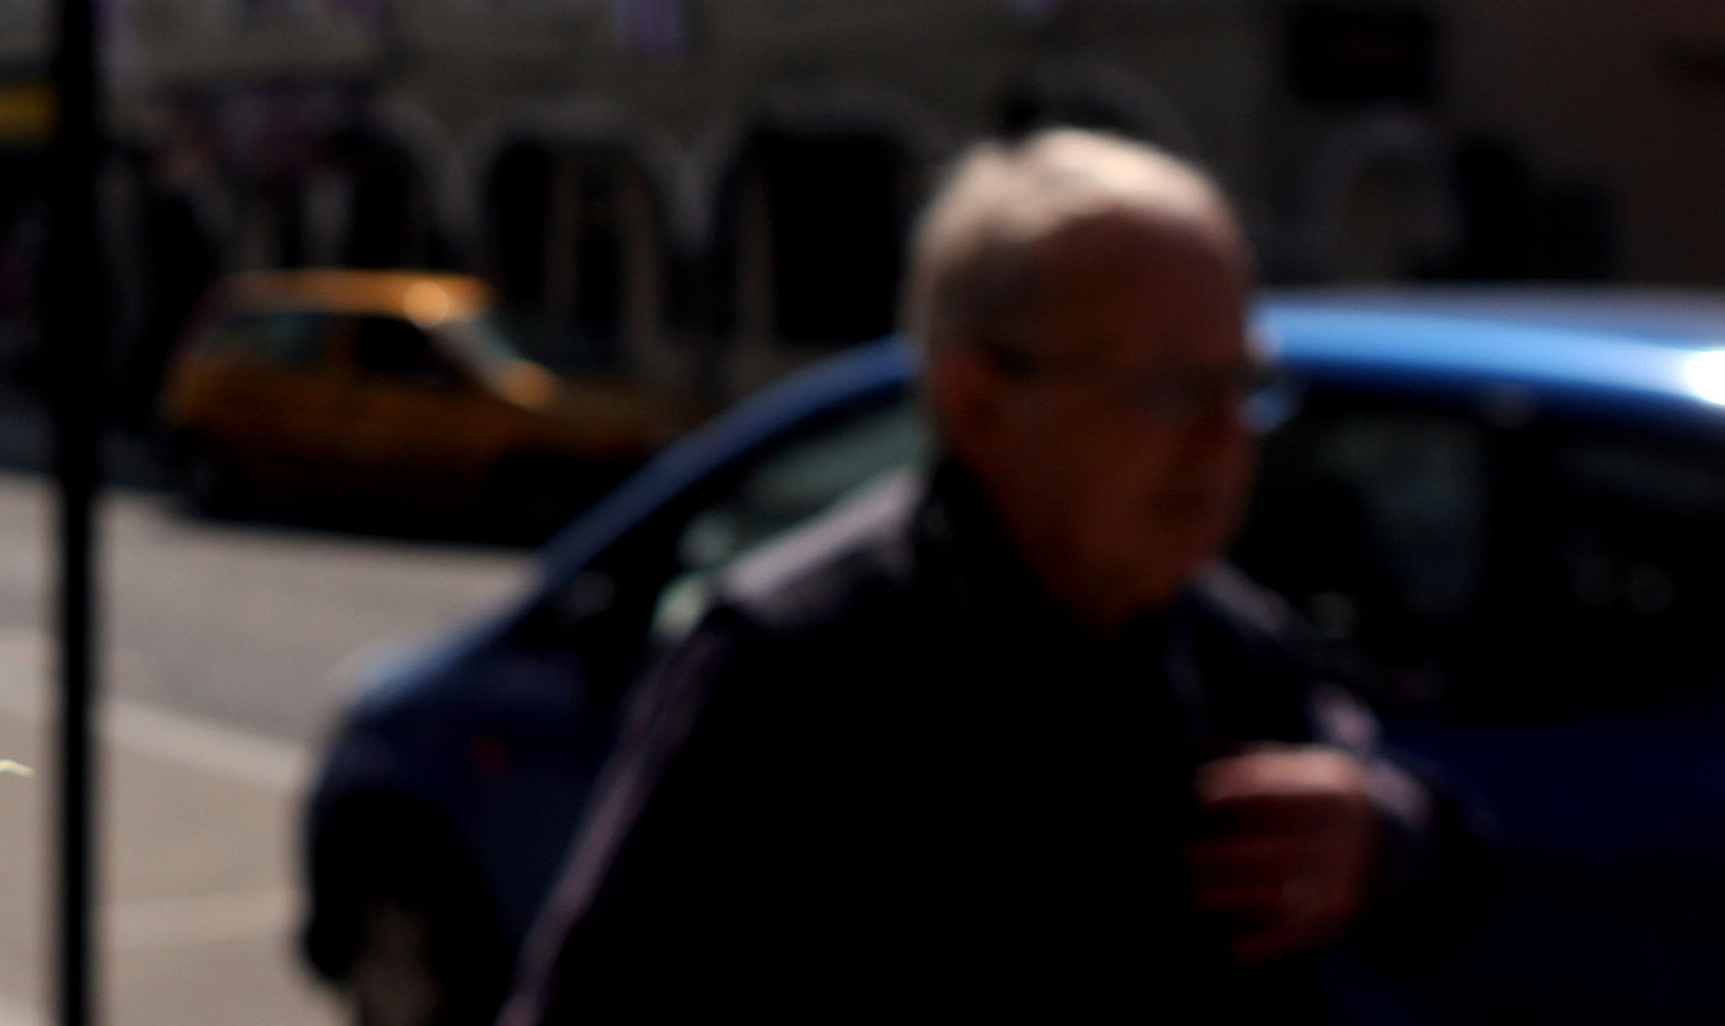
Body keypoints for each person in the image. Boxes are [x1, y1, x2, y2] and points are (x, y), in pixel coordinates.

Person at [503, 130, 1485, 1024]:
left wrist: (1378, 838)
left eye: (1242, 384)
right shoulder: (794, 669)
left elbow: (1446, 864)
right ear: (979, 404)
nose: (1228, 441)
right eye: (1170, 388)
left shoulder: (1222, 643)